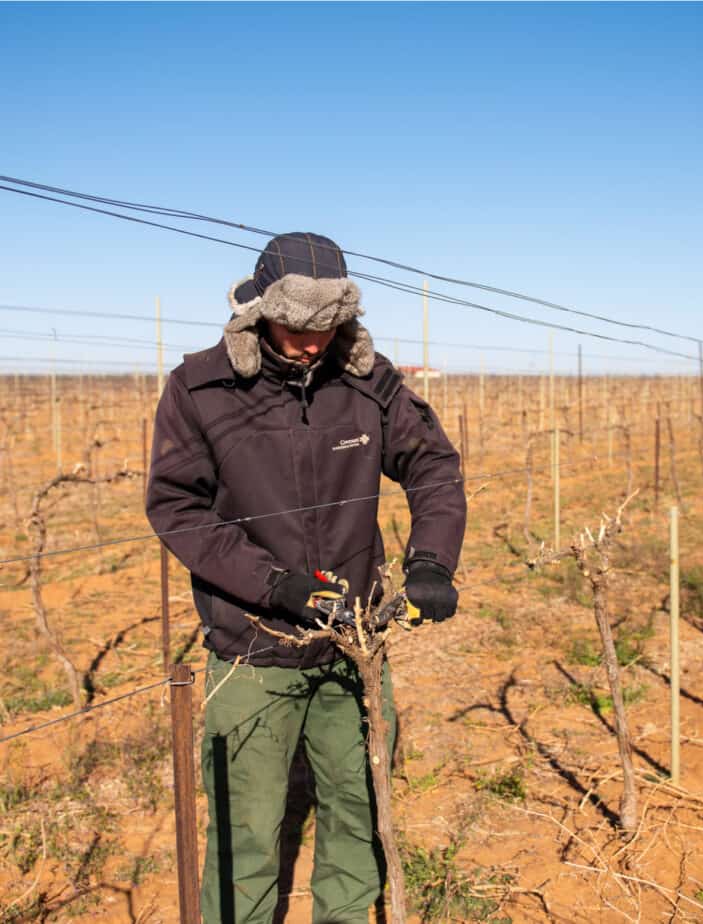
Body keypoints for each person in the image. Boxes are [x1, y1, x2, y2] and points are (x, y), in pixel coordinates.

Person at [146, 232, 467, 924]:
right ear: (259, 312)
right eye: (296, 326)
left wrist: (433, 561)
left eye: (327, 328)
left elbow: (434, 466)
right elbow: (177, 507)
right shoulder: (201, 388)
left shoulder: (368, 382)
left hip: (355, 646)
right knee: (248, 833)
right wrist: (275, 585)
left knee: (357, 811)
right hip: (252, 649)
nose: (311, 343)